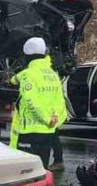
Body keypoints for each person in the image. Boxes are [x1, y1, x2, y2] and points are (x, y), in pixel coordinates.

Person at [9, 37, 67, 169]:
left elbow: (31, 101)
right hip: (48, 132)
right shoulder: (52, 74)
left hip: (29, 132)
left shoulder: (28, 75)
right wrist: (54, 121)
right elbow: (60, 101)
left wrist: (46, 119)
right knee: (41, 169)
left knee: (25, 172)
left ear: (28, 55)